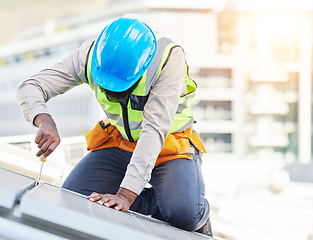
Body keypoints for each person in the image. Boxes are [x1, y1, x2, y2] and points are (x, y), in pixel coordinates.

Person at [17, 17, 211, 235]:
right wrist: (43, 119)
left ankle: (180, 202)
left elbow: (153, 131)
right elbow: (32, 86)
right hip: (121, 143)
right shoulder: (89, 56)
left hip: (169, 146)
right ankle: (160, 201)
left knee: (183, 214)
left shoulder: (167, 59)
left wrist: (126, 195)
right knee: (75, 197)